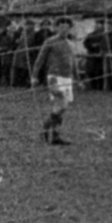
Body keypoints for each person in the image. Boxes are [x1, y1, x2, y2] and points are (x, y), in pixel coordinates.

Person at [31, 16, 78, 145]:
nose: (64, 30)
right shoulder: (50, 41)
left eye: (67, 27)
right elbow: (40, 59)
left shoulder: (71, 44)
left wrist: (78, 78)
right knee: (62, 103)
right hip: (54, 77)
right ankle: (46, 129)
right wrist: (34, 76)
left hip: (67, 78)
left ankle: (54, 135)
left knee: (61, 107)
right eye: (61, 27)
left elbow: (74, 63)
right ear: (56, 28)